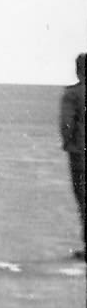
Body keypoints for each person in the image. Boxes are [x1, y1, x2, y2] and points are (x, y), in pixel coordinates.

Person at [60, 53, 86, 260]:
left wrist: (68, 142)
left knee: (83, 198)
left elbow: (67, 123)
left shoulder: (73, 94)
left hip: (80, 153)